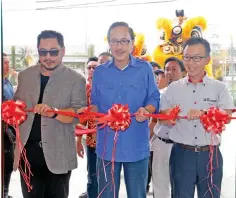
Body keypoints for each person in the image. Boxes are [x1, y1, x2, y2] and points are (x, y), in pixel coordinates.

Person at [88, 21, 160, 198]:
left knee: (137, 194)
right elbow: (95, 102)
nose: (119, 46)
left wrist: (147, 109)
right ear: (109, 44)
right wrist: (90, 111)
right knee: (105, 195)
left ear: (132, 43)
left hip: (136, 145)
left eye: (124, 41)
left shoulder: (144, 69)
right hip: (106, 146)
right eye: (114, 41)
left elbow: (154, 97)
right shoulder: (100, 72)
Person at [13, 30, 86, 198]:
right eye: (42, 52)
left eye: (53, 51)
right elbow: (17, 108)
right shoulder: (25, 76)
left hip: (59, 155)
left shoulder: (76, 79)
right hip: (28, 155)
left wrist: (54, 113)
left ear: (63, 51)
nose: (48, 57)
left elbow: (78, 115)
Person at [160, 37, 234, 198]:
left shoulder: (219, 88)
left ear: (207, 59)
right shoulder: (172, 89)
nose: (191, 62)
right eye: (187, 57)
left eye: (197, 58)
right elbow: (161, 118)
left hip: (210, 154)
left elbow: (227, 117)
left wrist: (205, 113)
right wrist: (169, 117)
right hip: (181, 154)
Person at [77, 52, 112, 198]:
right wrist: (78, 141)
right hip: (93, 141)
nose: (93, 70)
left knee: (109, 178)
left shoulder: (116, 87)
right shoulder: (87, 89)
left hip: (113, 142)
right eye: (90, 68)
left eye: (96, 67)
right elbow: (82, 118)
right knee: (92, 176)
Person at [150, 57, 185, 198]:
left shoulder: (189, 94)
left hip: (181, 145)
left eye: (174, 69)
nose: (169, 73)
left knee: (181, 183)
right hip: (160, 143)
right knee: (159, 183)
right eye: (167, 69)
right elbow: (153, 120)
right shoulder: (158, 94)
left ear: (183, 72)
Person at [3, 53, 15, 198]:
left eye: (7, 62)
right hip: (3, 130)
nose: (7, 65)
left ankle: (5, 191)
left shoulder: (8, 83)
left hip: (10, 130)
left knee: (8, 164)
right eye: (4, 63)